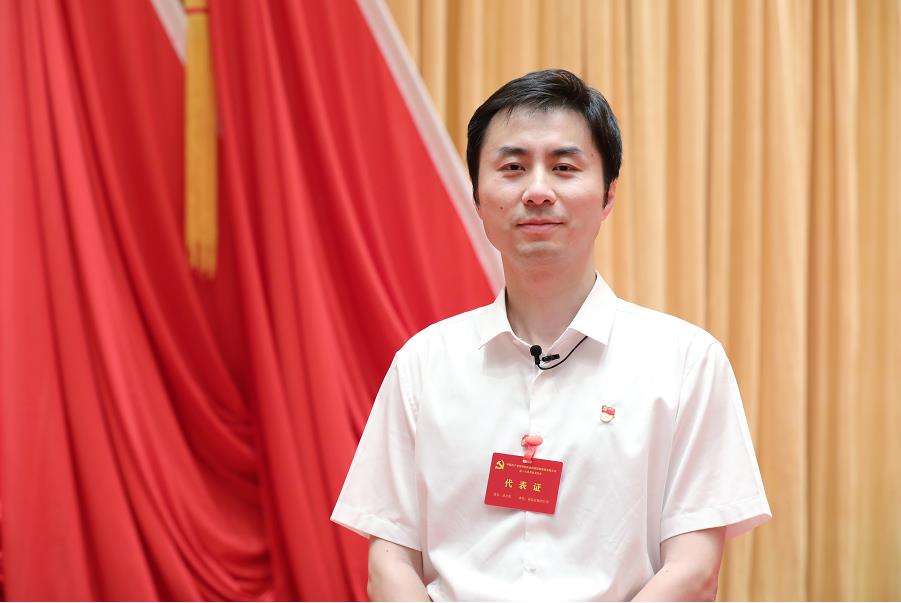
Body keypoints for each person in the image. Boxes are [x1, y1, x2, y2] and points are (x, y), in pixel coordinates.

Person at [331, 69, 771, 601]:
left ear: (608, 195)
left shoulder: (686, 361)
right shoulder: (423, 364)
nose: (538, 192)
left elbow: (694, 571)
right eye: (512, 168)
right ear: (477, 196)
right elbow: (389, 561)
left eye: (564, 167)